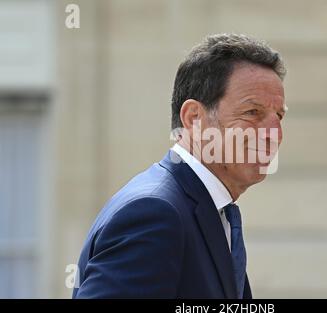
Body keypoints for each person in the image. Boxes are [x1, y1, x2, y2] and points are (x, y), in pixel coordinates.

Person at [73, 33, 286, 298]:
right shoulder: (154, 213)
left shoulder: (210, 210)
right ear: (194, 118)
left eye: (278, 116)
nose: (273, 133)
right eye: (252, 113)